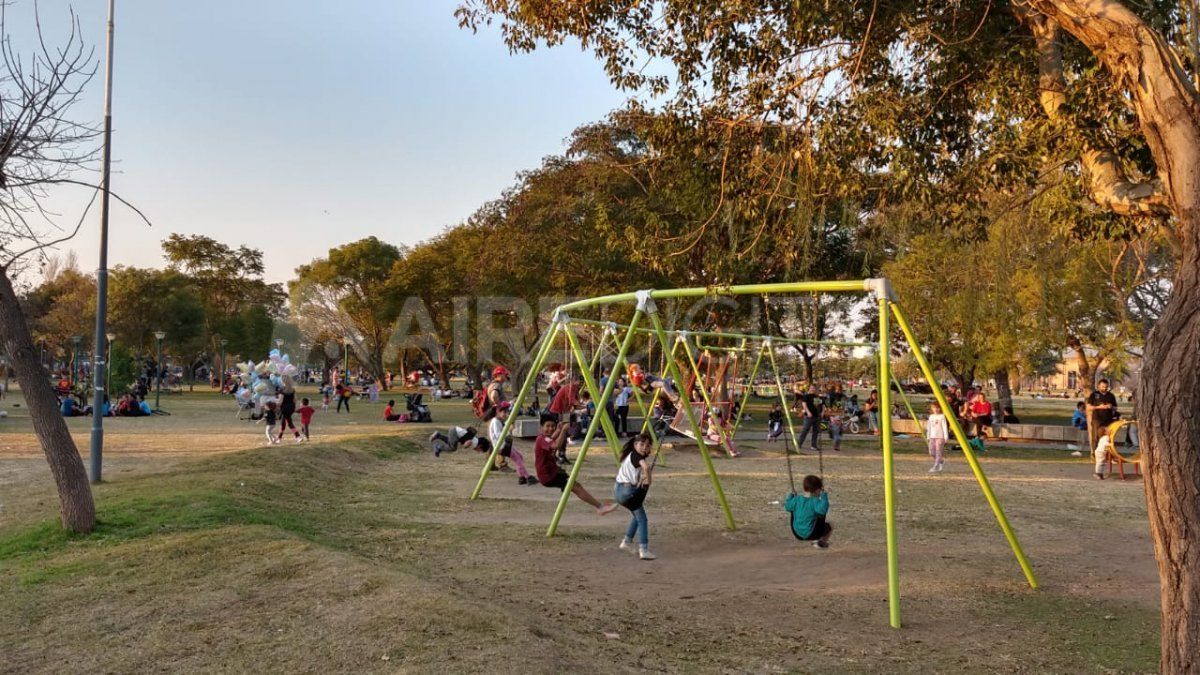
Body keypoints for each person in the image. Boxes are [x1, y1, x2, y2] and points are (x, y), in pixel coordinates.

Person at [533, 414, 618, 516]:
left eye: (552, 426)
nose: (550, 429)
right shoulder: (542, 439)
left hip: (551, 473)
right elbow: (556, 445)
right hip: (548, 476)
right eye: (547, 426)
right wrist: (563, 431)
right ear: (541, 427)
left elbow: (551, 438)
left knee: (576, 486)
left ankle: (600, 507)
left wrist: (559, 429)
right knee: (576, 487)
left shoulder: (543, 438)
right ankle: (600, 507)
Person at [615, 432, 656, 560]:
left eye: (647, 446)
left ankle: (626, 542)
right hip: (626, 491)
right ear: (635, 445)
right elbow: (646, 467)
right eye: (641, 444)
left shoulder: (631, 456)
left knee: (637, 516)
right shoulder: (637, 456)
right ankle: (643, 550)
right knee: (642, 519)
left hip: (619, 490)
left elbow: (632, 476)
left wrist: (641, 481)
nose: (644, 447)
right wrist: (649, 480)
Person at [488, 402, 535, 485]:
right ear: (498, 411)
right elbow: (499, 435)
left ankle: (522, 477)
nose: (506, 414)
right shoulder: (495, 421)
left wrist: (510, 423)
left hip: (505, 445)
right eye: (504, 412)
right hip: (501, 447)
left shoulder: (499, 421)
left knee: (520, 456)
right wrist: (509, 431)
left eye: (507, 412)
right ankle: (527, 477)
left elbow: (503, 429)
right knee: (518, 459)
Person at [784, 474, 833, 549]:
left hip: (797, 533)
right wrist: (824, 496)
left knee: (793, 509)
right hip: (813, 534)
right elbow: (823, 510)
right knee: (830, 524)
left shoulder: (796, 499)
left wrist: (791, 496)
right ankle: (821, 542)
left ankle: (818, 541)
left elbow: (787, 506)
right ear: (817, 490)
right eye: (820, 490)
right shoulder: (815, 501)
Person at [1086, 378, 1119, 455]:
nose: (1104, 388)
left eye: (1106, 387)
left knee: (1108, 437)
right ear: (1098, 386)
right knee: (1096, 437)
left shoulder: (1111, 396)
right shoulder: (1094, 395)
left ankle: (1107, 454)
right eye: (1103, 387)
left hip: (1108, 420)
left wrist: (1111, 406)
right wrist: (1099, 407)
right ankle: (1095, 453)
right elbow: (1088, 407)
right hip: (1097, 419)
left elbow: (1115, 407)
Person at [796, 386, 823, 451]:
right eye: (811, 388)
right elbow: (804, 404)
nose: (813, 389)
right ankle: (799, 444)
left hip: (817, 416)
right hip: (809, 417)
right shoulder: (806, 396)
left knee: (815, 431)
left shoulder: (817, 397)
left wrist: (821, 412)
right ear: (809, 389)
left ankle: (813, 446)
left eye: (814, 388)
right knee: (805, 430)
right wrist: (808, 412)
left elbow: (819, 405)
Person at [926, 401, 948, 473]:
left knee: (938, 451)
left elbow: (944, 427)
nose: (936, 409)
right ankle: (940, 460)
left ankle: (936, 466)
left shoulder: (942, 416)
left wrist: (946, 436)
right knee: (931, 452)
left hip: (940, 437)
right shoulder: (931, 417)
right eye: (934, 408)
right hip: (932, 436)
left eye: (937, 408)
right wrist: (928, 436)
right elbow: (929, 427)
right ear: (932, 408)